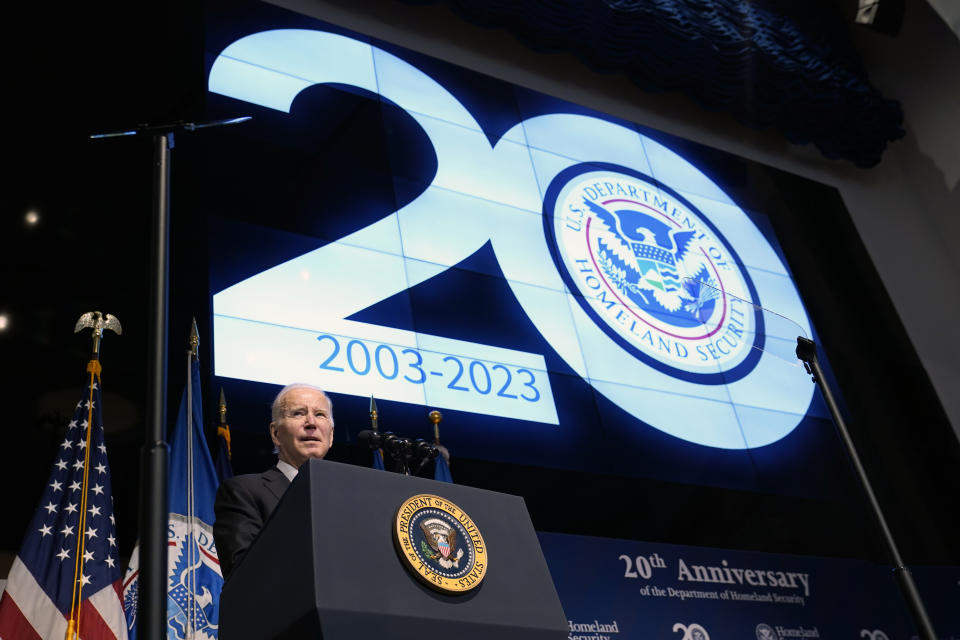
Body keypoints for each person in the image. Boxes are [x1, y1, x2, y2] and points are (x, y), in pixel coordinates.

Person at [213, 383, 334, 578]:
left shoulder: (347, 499)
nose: (311, 422)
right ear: (275, 433)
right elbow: (244, 574)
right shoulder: (244, 492)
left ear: (331, 436)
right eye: (298, 413)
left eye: (320, 414)